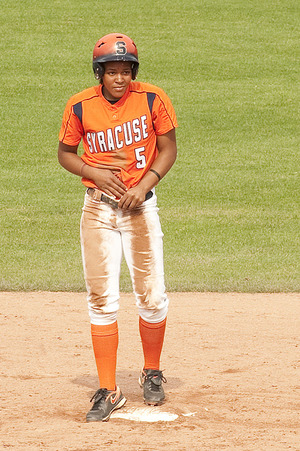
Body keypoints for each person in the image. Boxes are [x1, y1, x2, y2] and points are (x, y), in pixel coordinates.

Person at [58, 33, 178, 422]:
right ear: (100, 73)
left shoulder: (152, 99)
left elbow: (168, 148)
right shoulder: (79, 106)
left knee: (153, 295)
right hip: (97, 211)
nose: (120, 78)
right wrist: (92, 172)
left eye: (126, 71)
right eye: (112, 71)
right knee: (101, 299)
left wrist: (145, 185)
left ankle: (151, 371)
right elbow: (65, 153)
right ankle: (109, 390)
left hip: (141, 210)